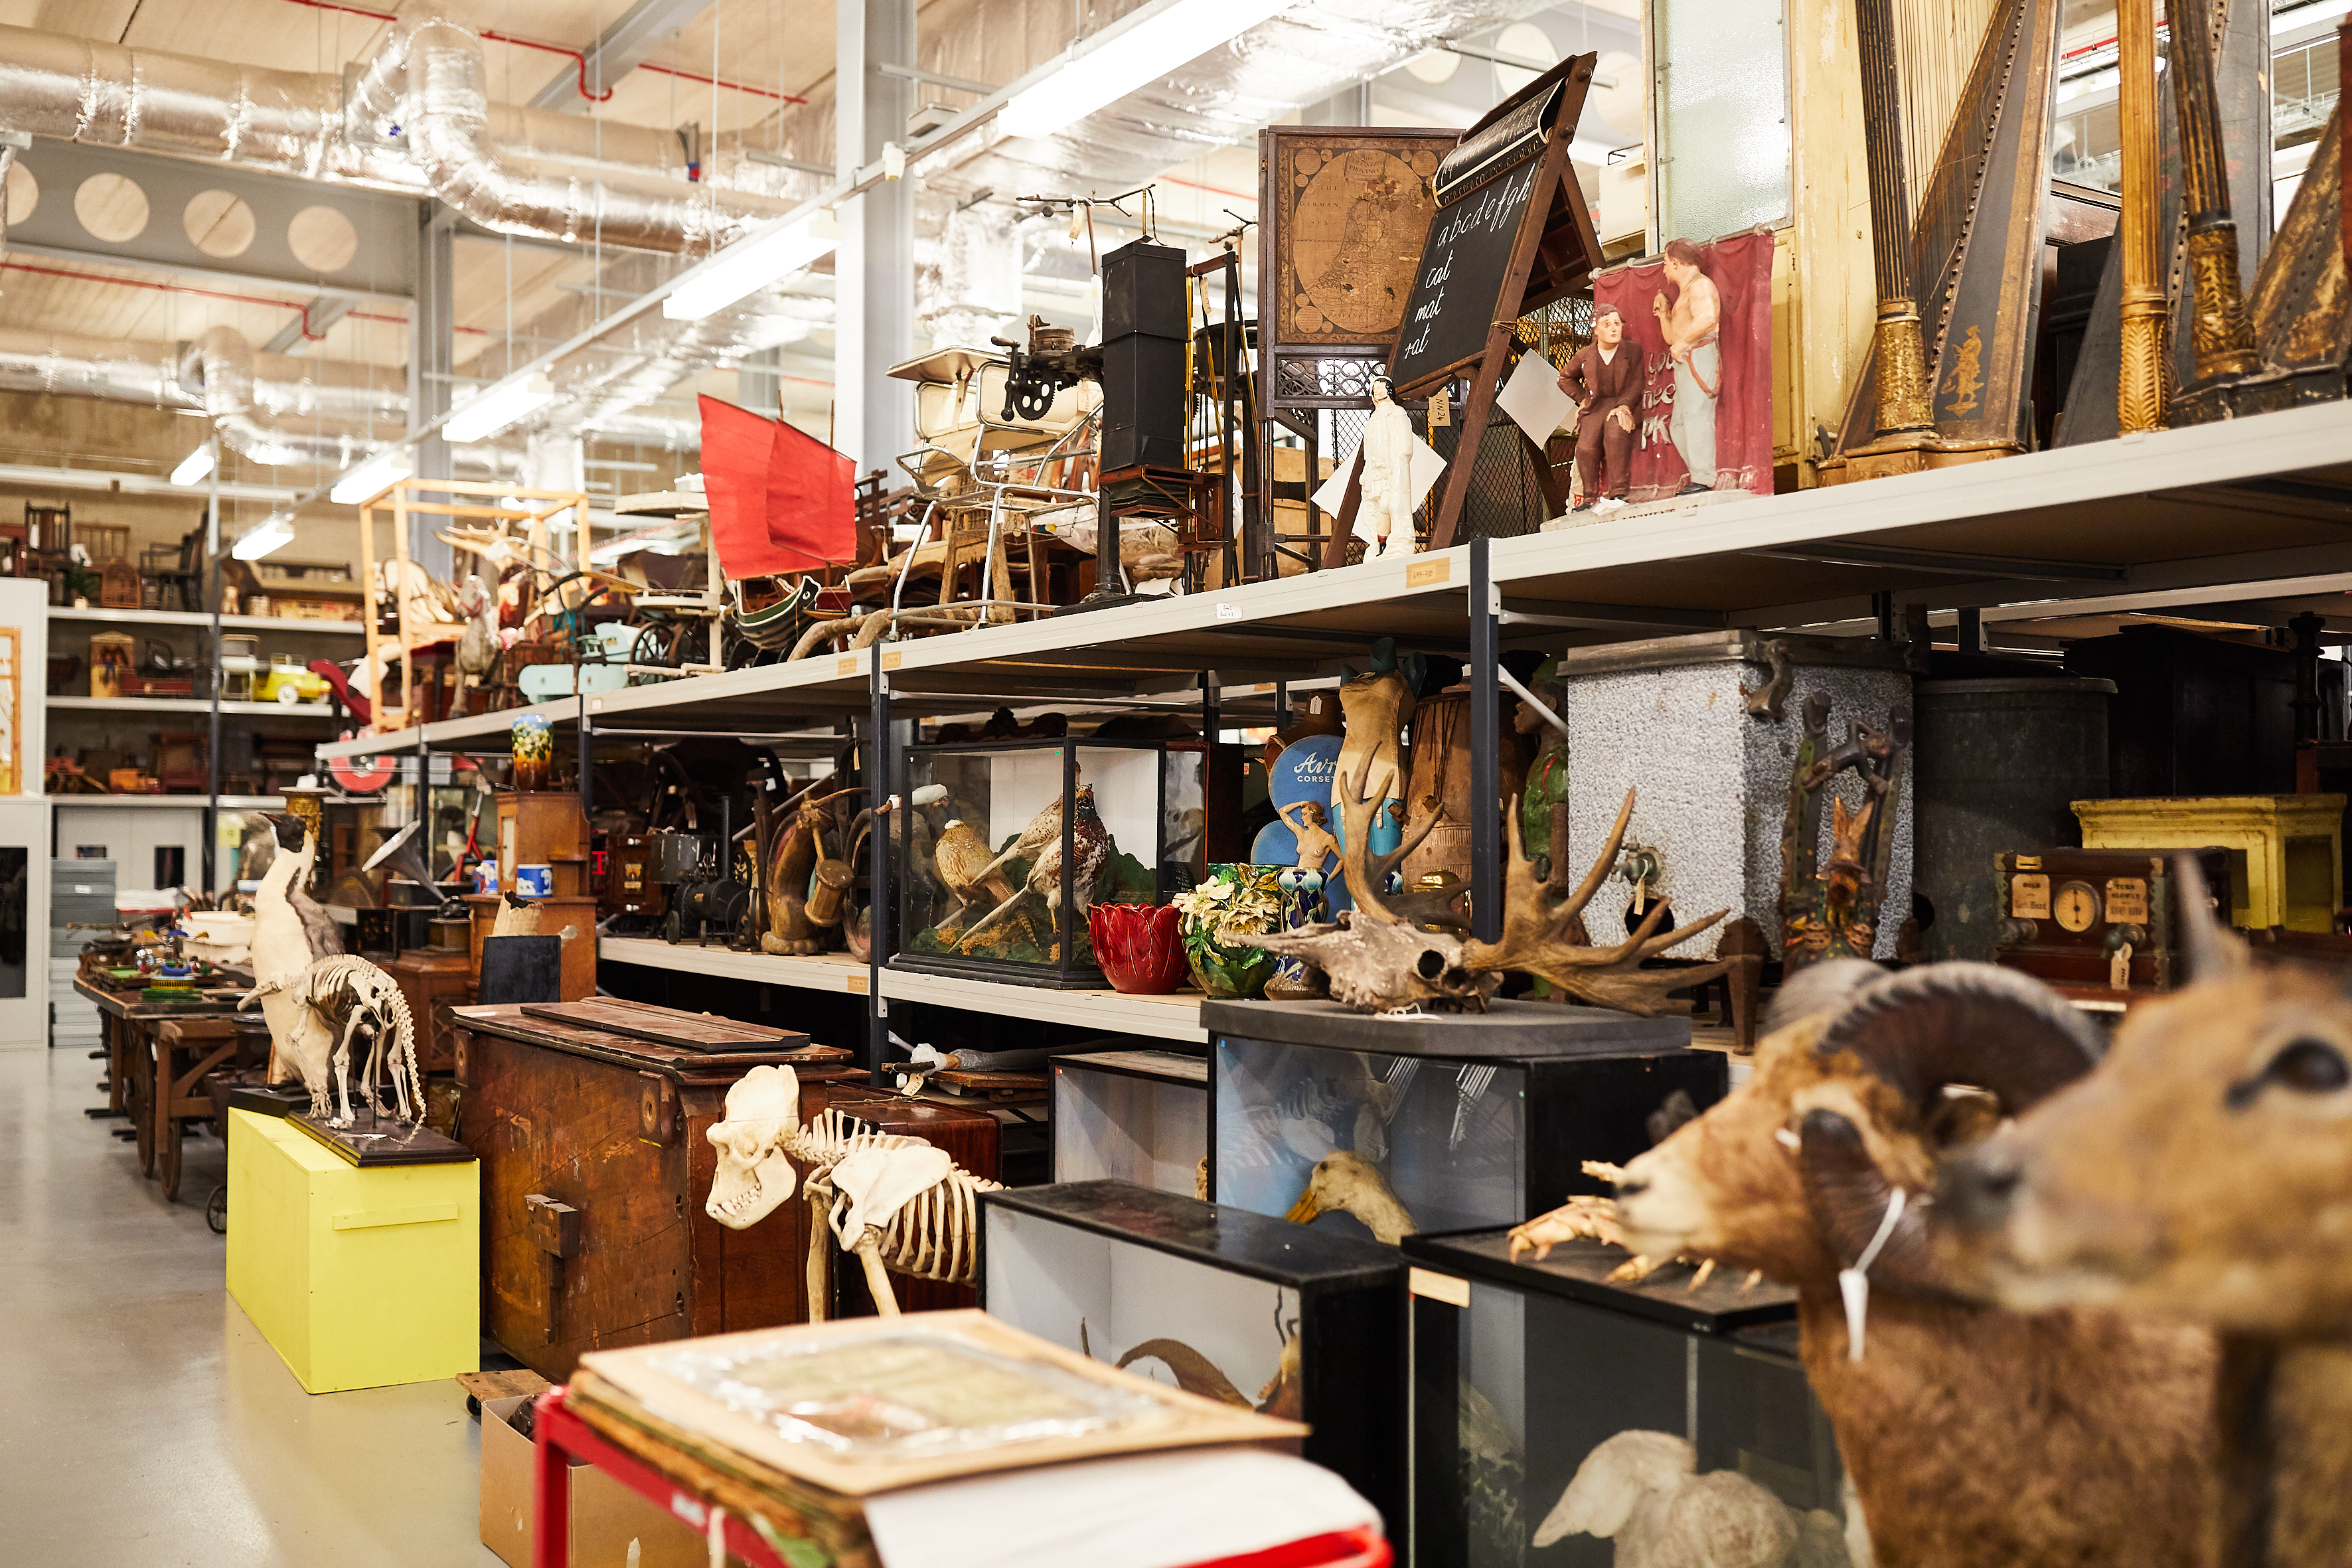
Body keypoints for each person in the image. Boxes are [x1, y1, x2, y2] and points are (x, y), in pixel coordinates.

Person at [1652, 238, 1721, 496]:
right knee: (1679, 424)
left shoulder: (1701, 286)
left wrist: (1682, 344)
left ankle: (1704, 477)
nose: (1664, 270)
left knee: (1697, 417)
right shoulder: (1686, 292)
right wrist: (1664, 315)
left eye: (1666, 263)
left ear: (1678, 263)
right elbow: (1671, 339)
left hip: (1698, 356)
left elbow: (1706, 319)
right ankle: (1698, 474)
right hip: (1685, 359)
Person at [1557, 305, 1642, 510]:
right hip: (1596, 406)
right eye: (1607, 325)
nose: (1614, 329)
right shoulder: (1586, 355)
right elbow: (1565, 378)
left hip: (1621, 402)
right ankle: (1589, 498)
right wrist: (1582, 400)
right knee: (1586, 446)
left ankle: (1618, 491)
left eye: (1617, 324)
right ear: (1596, 330)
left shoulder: (1632, 351)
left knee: (1615, 434)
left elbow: (1637, 383)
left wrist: (1624, 406)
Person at [1356, 375, 1417, 559]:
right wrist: (1367, 470)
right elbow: (1369, 449)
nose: (1378, 391)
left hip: (1392, 468)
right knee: (1376, 506)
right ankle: (1380, 544)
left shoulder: (1396, 413)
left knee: (1393, 505)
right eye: (1375, 388)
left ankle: (1398, 542)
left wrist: (1395, 467)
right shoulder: (1374, 417)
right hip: (1375, 469)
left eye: (1381, 388)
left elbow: (1404, 446)